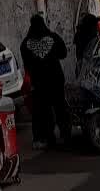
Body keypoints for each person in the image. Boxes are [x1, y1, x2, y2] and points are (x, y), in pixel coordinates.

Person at [21, 13, 70, 149]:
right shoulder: (53, 38)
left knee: (41, 111)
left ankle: (44, 138)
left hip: (39, 83)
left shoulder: (25, 43)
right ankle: (65, 136)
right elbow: (63, 54)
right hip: (56, 79)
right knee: (60, 108)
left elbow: (26, 64)